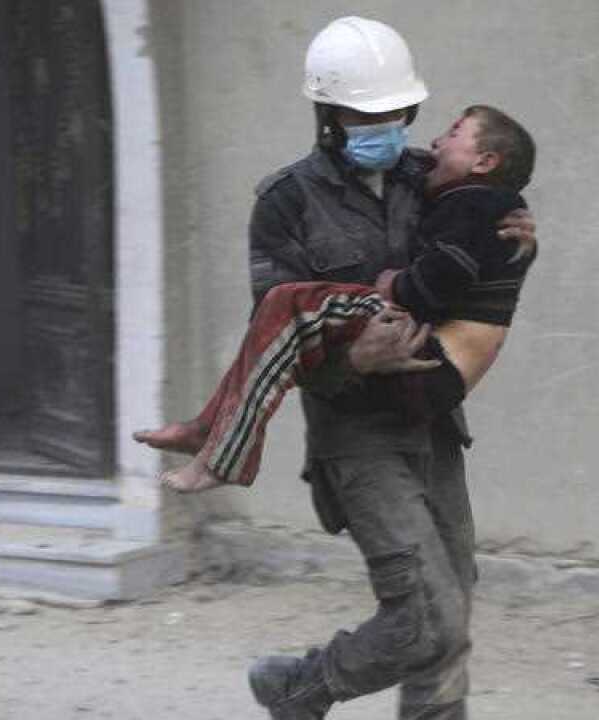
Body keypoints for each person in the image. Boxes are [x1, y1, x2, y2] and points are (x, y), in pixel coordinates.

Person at [134, 17, 535, 720]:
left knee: (453, 607)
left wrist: (517, 230)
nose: (388, 126)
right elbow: (277, 333)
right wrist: (353, 357)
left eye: (397, 113)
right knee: (424, 610)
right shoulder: (285, 202)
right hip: (355, 434)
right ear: (328, 115)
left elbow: (485, 233)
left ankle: (306, 693)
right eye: (365, 115)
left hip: (435, 422)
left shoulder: (432, 180)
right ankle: (301, 688)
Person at [150, 104, 535, 495]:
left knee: (285, 306)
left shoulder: (459, 194)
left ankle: (221, 447)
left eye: (453, 133)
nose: (435, 140)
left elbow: (446, 274)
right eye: (362, 114)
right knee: (279, 312)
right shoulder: (292, 197)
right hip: (393, 390)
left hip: (423, 367)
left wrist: (396, 285)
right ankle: (214, 434)